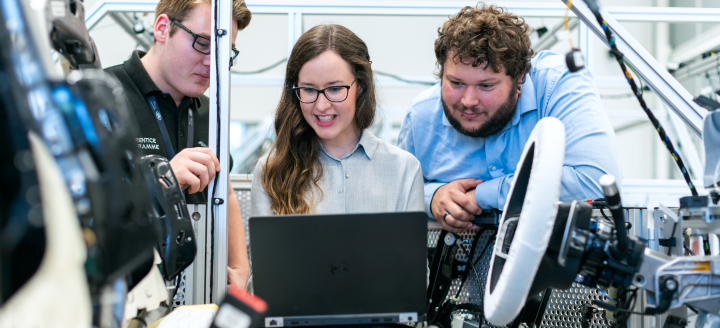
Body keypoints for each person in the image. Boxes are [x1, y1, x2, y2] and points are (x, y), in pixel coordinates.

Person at [397, 3, 622, 233]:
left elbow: (595, 181)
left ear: (520, 77)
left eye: (486, 86)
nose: (468, 101)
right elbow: (398, 193)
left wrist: (481, 196)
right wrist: (433, 197)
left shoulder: (558, 85)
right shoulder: (420, 117)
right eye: (456, 83)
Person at [105, 0, 252, 288]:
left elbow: (228, 191)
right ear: (163, 28)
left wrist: (239, 267)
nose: (213, 62)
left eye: (225, 51)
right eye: (202, 43)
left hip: (198, 289)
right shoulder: (103, 96)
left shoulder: (212, 112)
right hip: (128, 287)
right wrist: (162, 181)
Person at [250, 24, 424, 216]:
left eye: (334, 89)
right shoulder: (271, 171)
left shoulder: (404, 170)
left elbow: (408, 247)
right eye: (308, 89)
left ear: (361, 86)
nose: (322, 105)